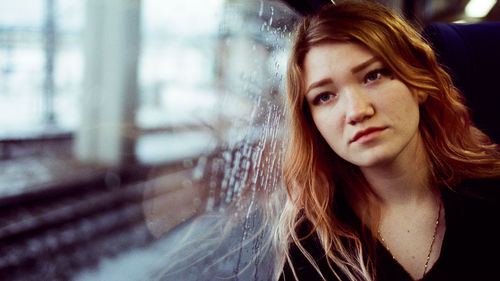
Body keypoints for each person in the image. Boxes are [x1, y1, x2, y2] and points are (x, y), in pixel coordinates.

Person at [277, 1, 500, 281]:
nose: (357, 111)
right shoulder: (312, 247)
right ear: (312, 123)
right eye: (325, 96)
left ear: (418, 84)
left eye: (374, 76)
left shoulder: (491, 193)